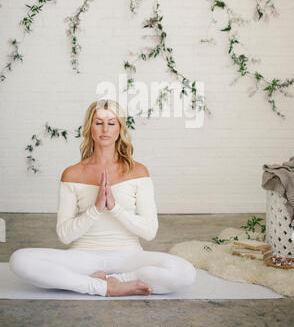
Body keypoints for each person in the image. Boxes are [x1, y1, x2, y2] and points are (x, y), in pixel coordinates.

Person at [9, 99, 197, 297]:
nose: (105, 128)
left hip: (129, 256)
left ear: (120, 128)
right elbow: (65, 236)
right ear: (90, 128)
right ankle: (102, 287)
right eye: (98, 122)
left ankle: (115, 281)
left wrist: (115, 208)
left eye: (111, 122)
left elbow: (149, 232)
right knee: (20, 260)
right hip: (83, 257)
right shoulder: (72, 174)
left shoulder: (138, 171)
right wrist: (96, 209)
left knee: (185, 272)